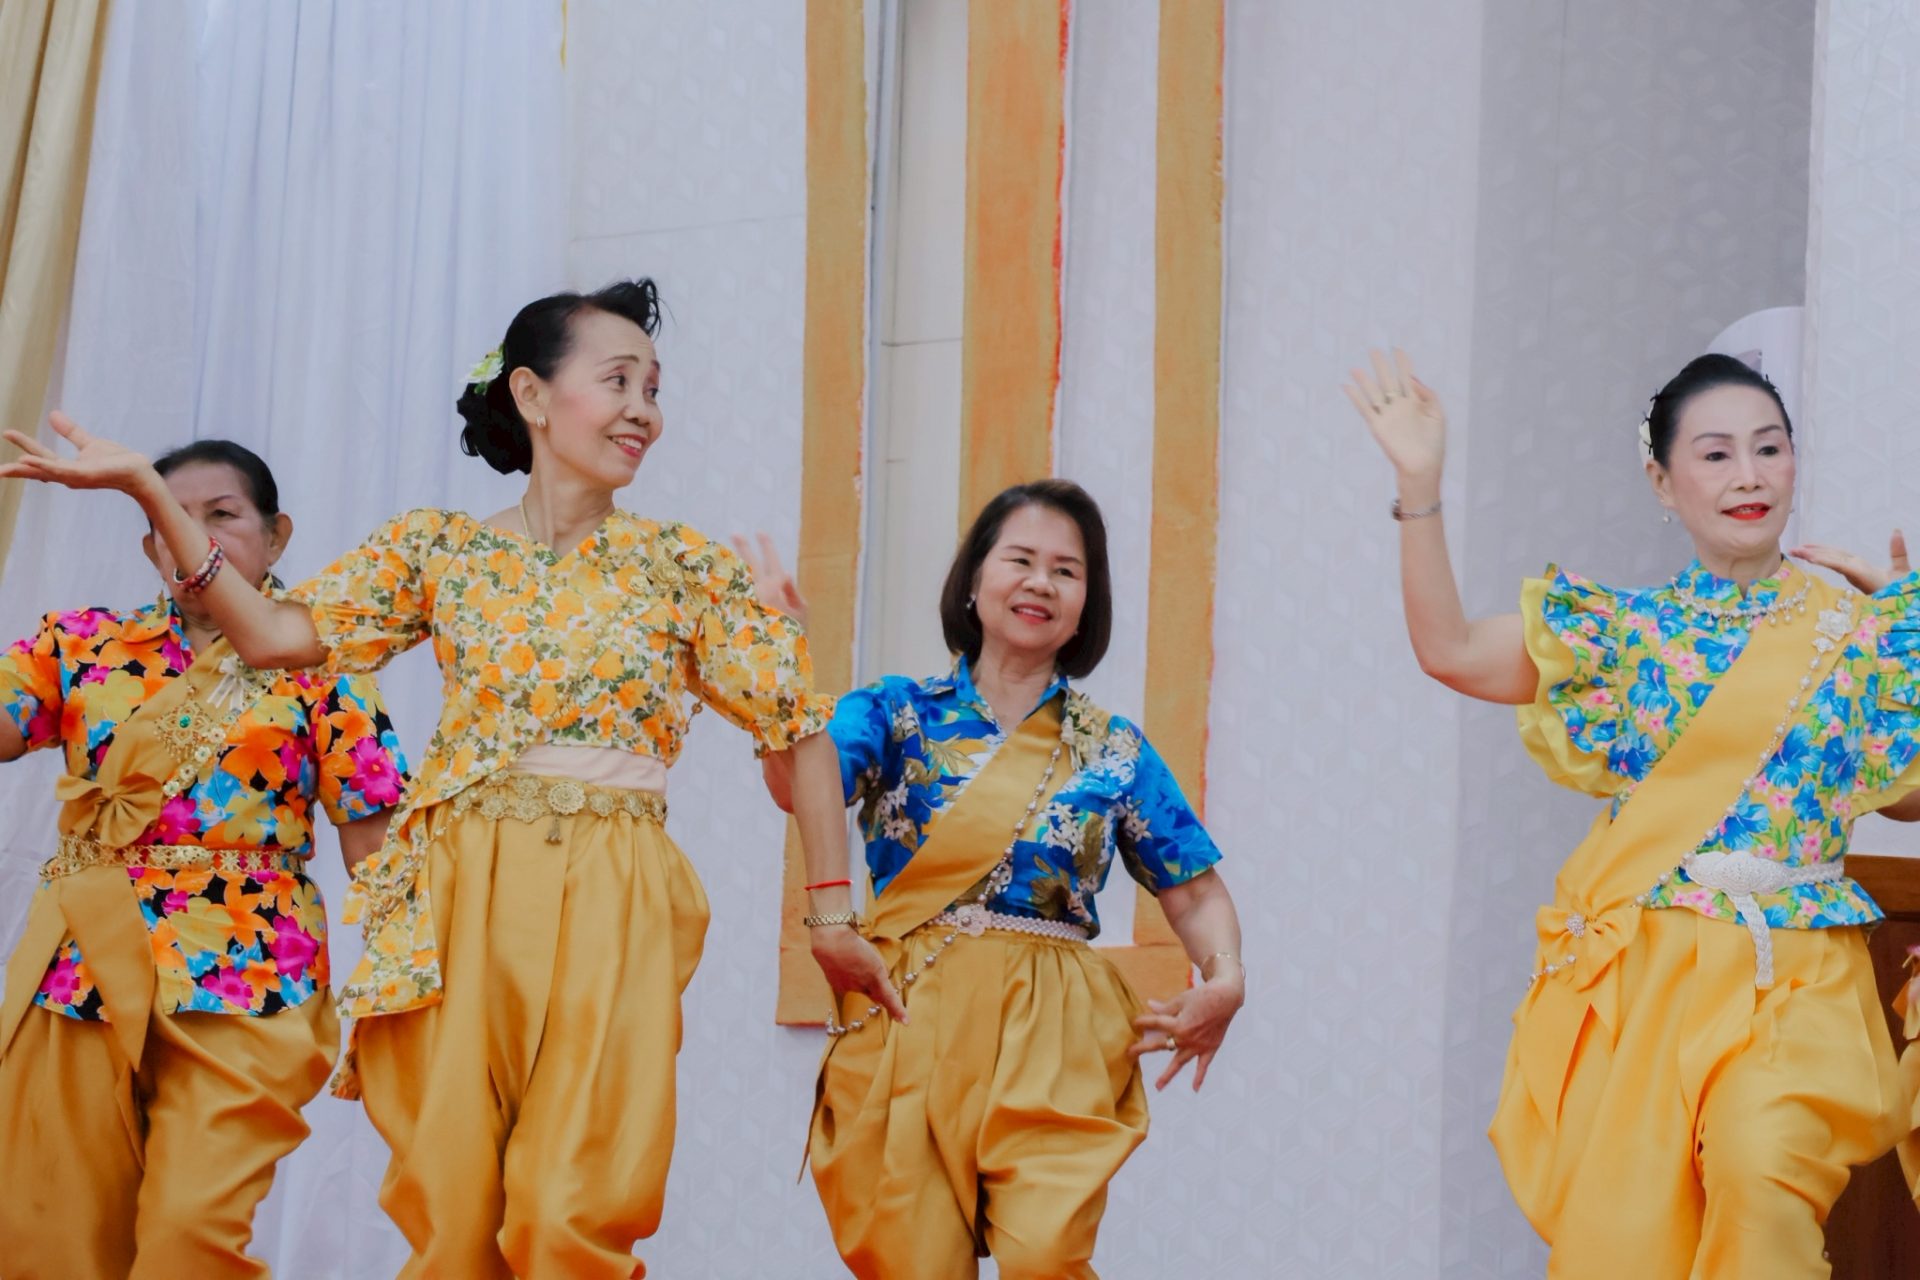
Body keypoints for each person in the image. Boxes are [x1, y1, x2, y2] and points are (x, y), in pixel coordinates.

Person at [0, 279, 901, 1279]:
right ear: (531, 393)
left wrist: (831, 918)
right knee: (454, 1215)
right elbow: (273, 635)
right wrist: (146, 488)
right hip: (457, 890)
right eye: (618, 381)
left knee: (570, 1216)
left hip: (615, 886)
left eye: (654, 388)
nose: (644, 409)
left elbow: (799, 730)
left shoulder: (684, 565)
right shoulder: (440, 549)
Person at [1345, 348, 1920, 1277]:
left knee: (1761, 1174)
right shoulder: (1624, 635)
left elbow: (1909, 797)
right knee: (1632, 1237)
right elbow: (1451, 650)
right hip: (1655, 974)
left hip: (1798, 973)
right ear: (1662, 480)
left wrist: (1906, 647)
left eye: (1769, 448)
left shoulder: (1855, 631)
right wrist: (1419, 489)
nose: (1748, 475)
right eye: (1716, 454)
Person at [753, 479, 1246, 1279]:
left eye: (1066, 571)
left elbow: (1193, 889)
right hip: (910, 1007)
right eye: (1020, 560)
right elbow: (794, 785)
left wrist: (1226, 978)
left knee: (1046, 1256)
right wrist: (781, 665)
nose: (1040, 582)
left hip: (1055, 1027)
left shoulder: (1111, 746)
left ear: (1086, 605)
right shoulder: (896, 711)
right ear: (974, 580)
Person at [0, 439, 405, 1279]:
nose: (195, 540)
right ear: (151, 544)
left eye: (222, 516)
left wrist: (413, 984)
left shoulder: (324, 665)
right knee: (54, 1239)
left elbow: (376, 845)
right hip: (81, 972)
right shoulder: (81, 644)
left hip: (250, 978)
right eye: (170, 520)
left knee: (192, 1238)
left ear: (277, 534)